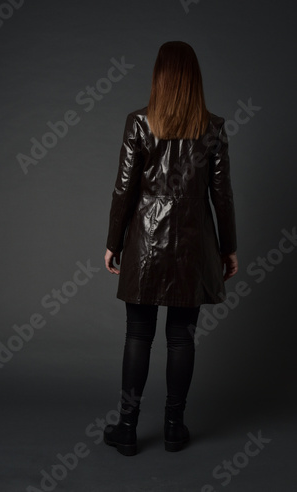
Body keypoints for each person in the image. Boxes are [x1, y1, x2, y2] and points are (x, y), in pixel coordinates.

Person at [103, 41, 238, 456]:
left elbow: (124, 188)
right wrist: (228, 247)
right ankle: (174, 428)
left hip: (144, 244)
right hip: (193, 248)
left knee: (138, 334)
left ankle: (127, 428)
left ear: (158, 77)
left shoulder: (138, 123)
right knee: (182, 338)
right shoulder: (213, 127)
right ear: (194, 79)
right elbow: (222, 196)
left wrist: (113, 242)